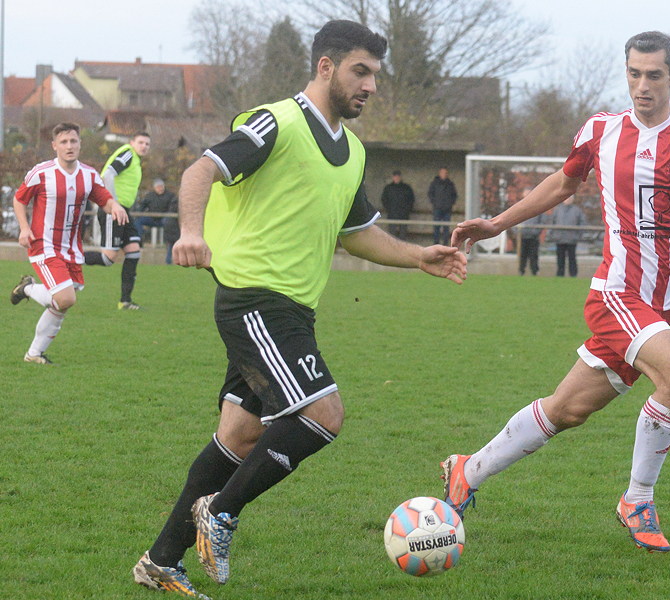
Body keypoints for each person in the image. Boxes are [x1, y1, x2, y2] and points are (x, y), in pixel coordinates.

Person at [131, 20, 466, 598]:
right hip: (255, 299)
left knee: (239, 436)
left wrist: (419, 257)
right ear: (325, 67)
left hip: (292, 310)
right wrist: (190, 231)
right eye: (360, 71)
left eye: (375, 75)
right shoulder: (276, 122)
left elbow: (355, 233)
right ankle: (221, 511)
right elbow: (201, 169)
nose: (370, 86)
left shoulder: (353, 151)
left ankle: (161, 561)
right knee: (323, 414)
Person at [441, 31, 670, 554]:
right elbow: (562, 183)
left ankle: (469, 469)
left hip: (664, 300)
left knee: (567, 409)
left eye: (653, 75)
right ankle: (637, 499)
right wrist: (496, 223)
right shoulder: (602, 130)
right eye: (634, 73)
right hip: (617, 293)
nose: (642, 85)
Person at [9, 122, 127, 364]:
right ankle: (29, 288)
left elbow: (104, 199)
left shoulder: (89, 175)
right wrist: (24, 228)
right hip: (44, 244)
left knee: (61, 304)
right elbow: (19, 199)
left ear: (80, 143)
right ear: (55, 146)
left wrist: (115, 206)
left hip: (71, 248)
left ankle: (34, 354)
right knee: (66, 298)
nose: (69, 146)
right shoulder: (42, 172)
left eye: (73, 141)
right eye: (63, 142)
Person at [83, 131, 151, 310]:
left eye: (147, 144)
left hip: (124, 212)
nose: (144, 146)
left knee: (134, 251)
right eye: (141, 142)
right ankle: (67, 258)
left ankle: (125, 301)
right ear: (132, 142)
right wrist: (112, 203)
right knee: (108, 259)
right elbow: (107, 175)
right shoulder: (128, 153)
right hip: (112, 210)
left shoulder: (135, 160)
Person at [548, 196, 586, 277]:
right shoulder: (557, 210)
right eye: (567, 198)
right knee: (560, 258)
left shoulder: (577, 210)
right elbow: (552, 222)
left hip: (572, 239)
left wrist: (578, 235)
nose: (568, 200)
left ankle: (573, 274)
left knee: (572, 258)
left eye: (570, 198)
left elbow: (582, 223)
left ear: (573, 199)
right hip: (559, 238)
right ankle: (560, 274)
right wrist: (552, 234)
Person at [516, 187, 546, 276]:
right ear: (523, 194)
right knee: (522, 255)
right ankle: (521, 271)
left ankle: (535, 272)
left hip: (533, 237)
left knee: (534, 255)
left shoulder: (539, 206)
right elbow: (512, 220)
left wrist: (536, 231)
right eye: (526, 193)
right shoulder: (518, 206)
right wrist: (517, 232)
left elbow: (542, 221)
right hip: (522, 236)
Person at [380, 170, 415, 240]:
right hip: (392, 213)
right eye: (395, 176)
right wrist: (389, 209)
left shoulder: (406, 188)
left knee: (403, 235)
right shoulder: (388, 188)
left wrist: (407, 210)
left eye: (398, 176)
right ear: (393, 177)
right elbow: (384, 199)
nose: (396, 178)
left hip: (404, 214)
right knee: (392, 235)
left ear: (400, 177)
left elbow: (411, 200)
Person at [428, 166, 457, 245]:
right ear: (439, 173)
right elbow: (430, 194)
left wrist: (451, 203)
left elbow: (454, 195)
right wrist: (435, 203)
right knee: (436, 227)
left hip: (447, 209)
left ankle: (445, 244)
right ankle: (436, 243)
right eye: (443, 173)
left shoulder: (450, 184)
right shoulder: (434, 183)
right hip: (437, 208)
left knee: (446, 227)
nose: (444, 174)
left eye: (445, 173)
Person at [162, 195, 180, 265]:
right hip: (174, 230)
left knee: (170, 246)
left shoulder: (170, 210)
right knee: (173, 246)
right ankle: (173, 260)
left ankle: (169, 261)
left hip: (170, 230)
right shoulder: (177, 206)